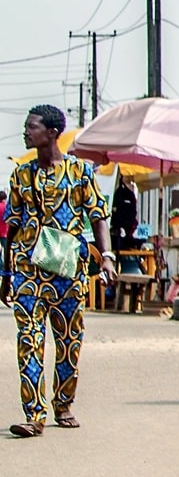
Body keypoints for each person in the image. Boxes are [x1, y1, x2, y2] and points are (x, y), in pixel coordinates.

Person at [5, 105, 111, 437]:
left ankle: (63, 404)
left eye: (31, 127)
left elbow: (97, 214)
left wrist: (106, 255)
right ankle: (33, 414)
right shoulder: (20, 175)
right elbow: (11, 226)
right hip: (27, 268)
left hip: (67, 267)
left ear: (51, 133)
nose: (25, 132)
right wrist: (6, 272)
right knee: (29, 340)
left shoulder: (80, 172)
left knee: (68, 341)